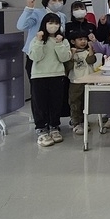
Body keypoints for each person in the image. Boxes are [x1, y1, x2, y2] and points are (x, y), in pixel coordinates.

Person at [17, 0, 69, 121]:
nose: (57, 3)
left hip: (55, 58)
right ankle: (41, 123)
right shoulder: (36, 13)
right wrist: (28, 8)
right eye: (54, 0)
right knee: (38, 93)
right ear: (46, 1)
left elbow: (62, 35)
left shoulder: (62, 16)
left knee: (55, 93)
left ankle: (53, 122)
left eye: (60, 0)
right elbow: (21, 26)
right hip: (36, 57)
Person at [28, 13, 72, 147]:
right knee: (40, 103)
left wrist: (59, 43)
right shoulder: (36, 39)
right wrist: (39, 41)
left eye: (56, 23)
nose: (53, 26)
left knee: (56, 103)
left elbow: (65, 58)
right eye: (50, 23)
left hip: (57, 75)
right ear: (44, 24)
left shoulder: (63, 40)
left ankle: (54, 126)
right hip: (39, 76)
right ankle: (41, 129)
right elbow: (35, 57)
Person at [66, 30, 96, 135]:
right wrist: (72, 54)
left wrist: (91, 49)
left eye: (85, 39)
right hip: (75, 81)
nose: (83, 42)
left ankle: (84, 121)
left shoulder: (88, 51)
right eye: (80, 39)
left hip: (88, 81)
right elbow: (68, 67)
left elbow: (91, 61)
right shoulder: (70, 52)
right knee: (75, 102)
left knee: (86, 102)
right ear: (73, 41)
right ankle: (76, 122)